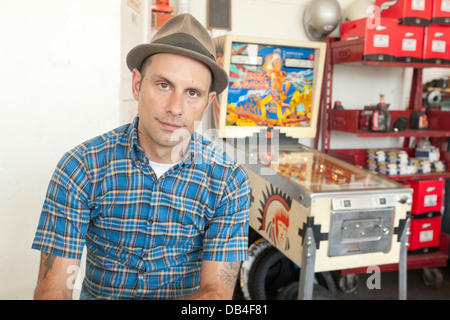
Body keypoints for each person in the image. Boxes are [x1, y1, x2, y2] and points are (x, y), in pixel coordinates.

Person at [32, 13, 250, 300]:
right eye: (164, 85)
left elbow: (216, 293)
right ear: (137, 84)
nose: (175, 107)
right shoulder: (80, 167)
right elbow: (54, 288)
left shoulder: (228, 181)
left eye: (192, 92)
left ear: (207, 103)